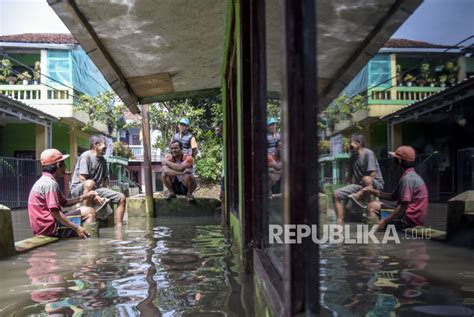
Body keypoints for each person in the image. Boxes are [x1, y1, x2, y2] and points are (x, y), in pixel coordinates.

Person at [28, 149, 98, 239]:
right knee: (90, 212)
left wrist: (85, 196)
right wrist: (76, 228)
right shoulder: (50, 184)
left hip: (42, 227)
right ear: (58, 165)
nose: (65, 168)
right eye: (63, 164)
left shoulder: (44, 180)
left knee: (85, 210)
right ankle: (89, 246)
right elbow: (55, 213)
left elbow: (64, 202)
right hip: (50, 228)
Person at [363, 146, 428, 230]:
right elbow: (392, 197)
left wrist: (385, 221)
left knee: (371, 206)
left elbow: (403, 206)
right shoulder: (411, 175)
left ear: (400, 161)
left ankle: (374, 236)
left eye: (394, 160)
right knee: (375, 204)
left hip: (408, 220)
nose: (392, 163)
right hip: (415, 218)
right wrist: (373, 191)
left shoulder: (407, 179)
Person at [70, 135, 127, 226]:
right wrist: (95, 196)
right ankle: (86, 213)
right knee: (90, 183)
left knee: (122, 197)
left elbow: (105, 179)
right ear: (96, 145)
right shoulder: (86, 156)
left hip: (96, 189)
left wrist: (106, 192)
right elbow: (82, 179)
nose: (106, 148)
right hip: (79, 189)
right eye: (104, 146)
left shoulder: (103, 160)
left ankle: (119, 226)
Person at [333, 134, 384, 224]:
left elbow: (373, 173)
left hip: (375, 183)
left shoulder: (368, 153)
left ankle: (369, 212)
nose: (348, 146)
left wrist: (360, 192)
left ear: (358, 143)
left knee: (366, 178)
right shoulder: (352, 157)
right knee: (336, 194)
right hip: (359, 185)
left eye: (350, 144)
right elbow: (349, 176)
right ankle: (340, 221)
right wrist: (348, 189)